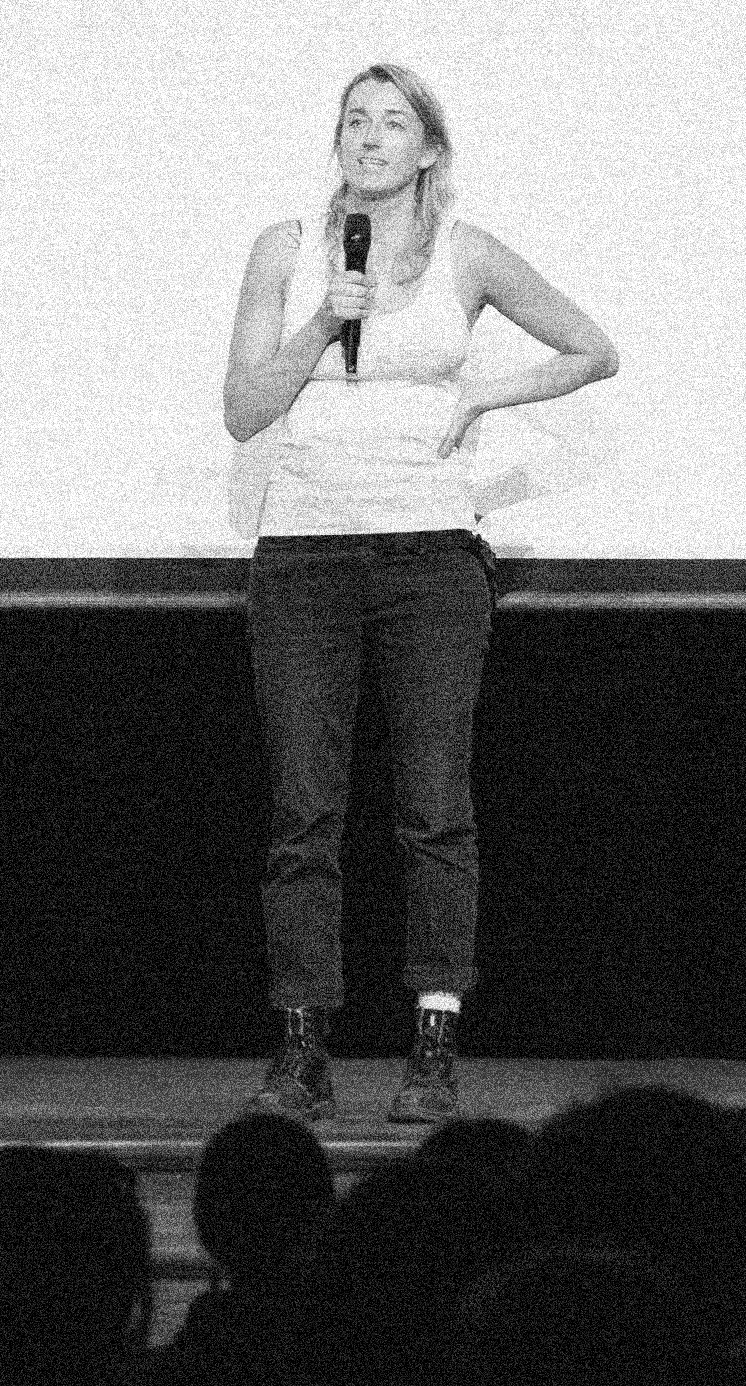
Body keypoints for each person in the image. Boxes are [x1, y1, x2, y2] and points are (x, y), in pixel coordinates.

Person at [217, 61, 615, 1125]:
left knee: (432, 807)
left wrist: (490, 389)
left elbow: (591, 348)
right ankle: (302, 1044)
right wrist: (316, 326)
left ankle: (431, 1041)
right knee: (305, 806)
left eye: (393, 122)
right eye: (355, 118)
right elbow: (242, 409)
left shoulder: (465, 251)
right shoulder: (286, 250)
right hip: (303, 553)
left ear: (428, 146)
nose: (370, 137)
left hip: (432, 556)